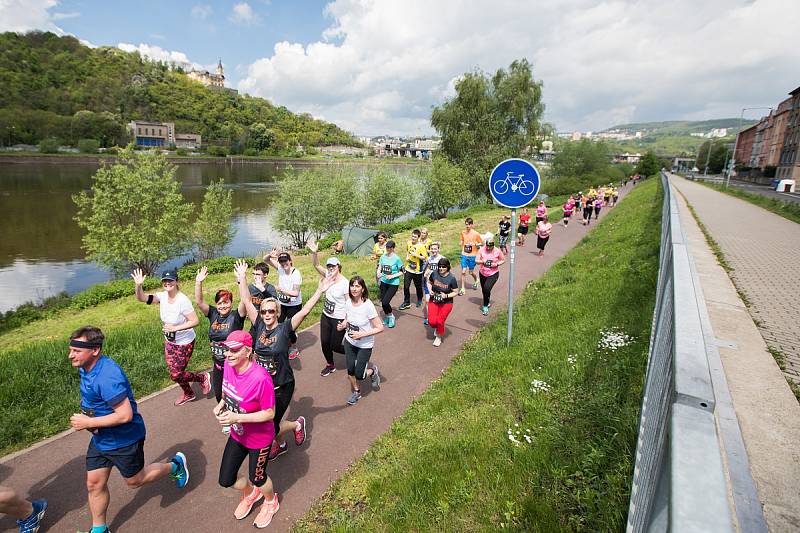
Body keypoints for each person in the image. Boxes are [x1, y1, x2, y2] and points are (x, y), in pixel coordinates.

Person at [69, 326, 189, 533]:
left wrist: (89, 423)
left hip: (124, 439)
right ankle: (99, 529)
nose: (71, 355)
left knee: (135, 481)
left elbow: (125, 415)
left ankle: (175, 465)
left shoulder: (107, 376)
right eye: (71, 349)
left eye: (77, 351)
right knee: (94, 484)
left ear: (95, 350)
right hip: (101, 438)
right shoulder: (85, 366)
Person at [235, 260, 331, 461]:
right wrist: (243, 278)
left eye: (271, 311)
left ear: (277, 312)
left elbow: (304, 311)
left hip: (282, 386)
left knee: (270, 424)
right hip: (262, 387)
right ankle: (283, 442)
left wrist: (319, 291)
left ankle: (296, 425)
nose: (267, 314)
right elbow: (245, 298)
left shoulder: (285, 328)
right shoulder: (259, 324)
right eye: (264, 311)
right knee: (267, 424)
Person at [213, 329, 279, 528]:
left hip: (259, 438)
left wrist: (237, 417)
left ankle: (270, 502)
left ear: (247, 351)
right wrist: (220, 406)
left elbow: (270, 413)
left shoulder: (261, 378)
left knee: (257, 477)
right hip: (238, 434)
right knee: (226, 479)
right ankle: (251, 493)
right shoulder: (228, 365)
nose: (228, 354)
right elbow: (228, 392)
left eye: (234, 350)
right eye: (227, 350)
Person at [132, 268, 209, 406]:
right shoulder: (162, 297)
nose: (167, 283)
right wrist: (138, 285)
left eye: (170, 280)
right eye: (165, 281)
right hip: (170, 342)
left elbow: (195, 321)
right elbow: (141, 298)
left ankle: (202, 377)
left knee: (176, 374)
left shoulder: (182, 300)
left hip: (185, 342)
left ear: (176, 281)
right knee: (175, 373)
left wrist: (175, 328)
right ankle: (189, 393)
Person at [194, 266, 246, 410]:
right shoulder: (213, 314)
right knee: (219, 394)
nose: (223, 306)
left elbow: (245, 300)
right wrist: (198, 282)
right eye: (220, 303)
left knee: (236, 394)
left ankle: (239, 419)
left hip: (234, 364)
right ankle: (226, 417)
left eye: (226, 302)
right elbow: (199, 301)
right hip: (218, 365)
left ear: (231, 303)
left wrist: (241, 280)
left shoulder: (236, 316)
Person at [336, 276, 384, 405]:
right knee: (350, 370)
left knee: (360, 375)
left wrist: (362, 334)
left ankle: (373, 371)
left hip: (365, 344)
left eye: (357, 286)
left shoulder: (367, 305)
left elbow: (380, 327)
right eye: (352, 285)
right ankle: (357, 392)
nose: (354, 288)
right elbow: (348, 318)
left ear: (363, 289)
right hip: (349, 342)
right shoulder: (348, 302)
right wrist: (343, 325)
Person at [309, 241, 350, 377]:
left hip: (339, 318)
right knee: (325, 342)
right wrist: (314, 252)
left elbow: (350, 303)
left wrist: (346, 321)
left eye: (333, 266)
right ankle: (330, 364)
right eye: (329, 266)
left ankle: (355, 352)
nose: (331, 268)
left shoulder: (345, 283)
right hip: (326, 315)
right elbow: (316, 265)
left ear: (339, 266)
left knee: (335, 345)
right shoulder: (327, 275)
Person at [266, 250, 303, 360]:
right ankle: (280, 344)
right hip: (282, 304)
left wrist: (281, 290)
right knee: (278, 324)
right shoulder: (280, 269)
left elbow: (296, 293)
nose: (283, 264)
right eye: (281, 261)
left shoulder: (296, 274)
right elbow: (266, 260)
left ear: (290, 261)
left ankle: (293, 347)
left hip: (294, 305)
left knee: (290, 328)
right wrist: (270, 255)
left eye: (285, 261)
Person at [426, 257, 459, 347]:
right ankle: (437, 328)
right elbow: (429, 282)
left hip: (446, 303)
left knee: (440, 321)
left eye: (443, 267)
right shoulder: (434, 274)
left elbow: (456, 292)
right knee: (432, 322)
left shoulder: (451, 278)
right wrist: (430, 290)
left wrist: (446, 295)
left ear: (447, 267)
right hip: (434, 300)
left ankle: (439, 337)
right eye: (440, 266)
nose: (441, 268)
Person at [475, 233, 506, 315]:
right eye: (487, 246)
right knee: (484, 290)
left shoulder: (497, 251)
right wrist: (482, 261)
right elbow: (476, 261)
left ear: (493, 245)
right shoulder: (481, 250)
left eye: (490, 247)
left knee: (486, 288)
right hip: (482, 273)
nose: (488, 248)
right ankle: (487, 301)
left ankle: (485, 306)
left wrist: (497, 264)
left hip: (493, 273)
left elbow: (503, 260)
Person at [376, 239, 403, 328]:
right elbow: (380, 266)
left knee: (385, 301)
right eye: (387, 247)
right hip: (384, 281)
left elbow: (402, 271)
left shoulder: (397, 258)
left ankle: (391, 316)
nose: (388, 249)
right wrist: (378, 272)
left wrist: (393, 276)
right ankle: (387, 316)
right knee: (382, 302)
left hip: (393, 283)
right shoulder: (383, 257)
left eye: (389, 248)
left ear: (393, 248)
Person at [399, 229, 428, 310]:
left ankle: (419, 299)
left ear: (418, 237)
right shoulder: (408, 243)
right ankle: (406, 302)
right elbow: (408, 251)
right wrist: (407, 257)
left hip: (417, 270)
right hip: (408, 268)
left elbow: (425, 258)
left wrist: (417, 255)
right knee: (406, 286)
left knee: (418, 286)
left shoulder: (421, 246)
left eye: (415, 237)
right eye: (412, 236)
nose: (413, 238)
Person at [421, 241, 444, 325]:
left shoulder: (442, 259)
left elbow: (447, 270)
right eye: (432, 249)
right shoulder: (429, 258)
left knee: (437, 300)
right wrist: (426, 273)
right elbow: (429, 267)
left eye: (435, 249)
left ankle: (439, 316)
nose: (433, 250)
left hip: (438, 283)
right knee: (427, 300)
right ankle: (429, 317)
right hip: (428, 282)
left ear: (438, 249)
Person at [459, 218, 483, 295]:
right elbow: (462, 240)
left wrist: (476, 244)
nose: (467, 226)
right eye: (466, 224)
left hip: (473, 255)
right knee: (463, 272)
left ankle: (476, 279)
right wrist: (461, 243)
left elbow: (481, 243)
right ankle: (462, 288)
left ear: (472, 225)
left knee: (471, 272)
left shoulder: (476, 234)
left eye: (469, 224)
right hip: (464, 254)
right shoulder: (463, 232)